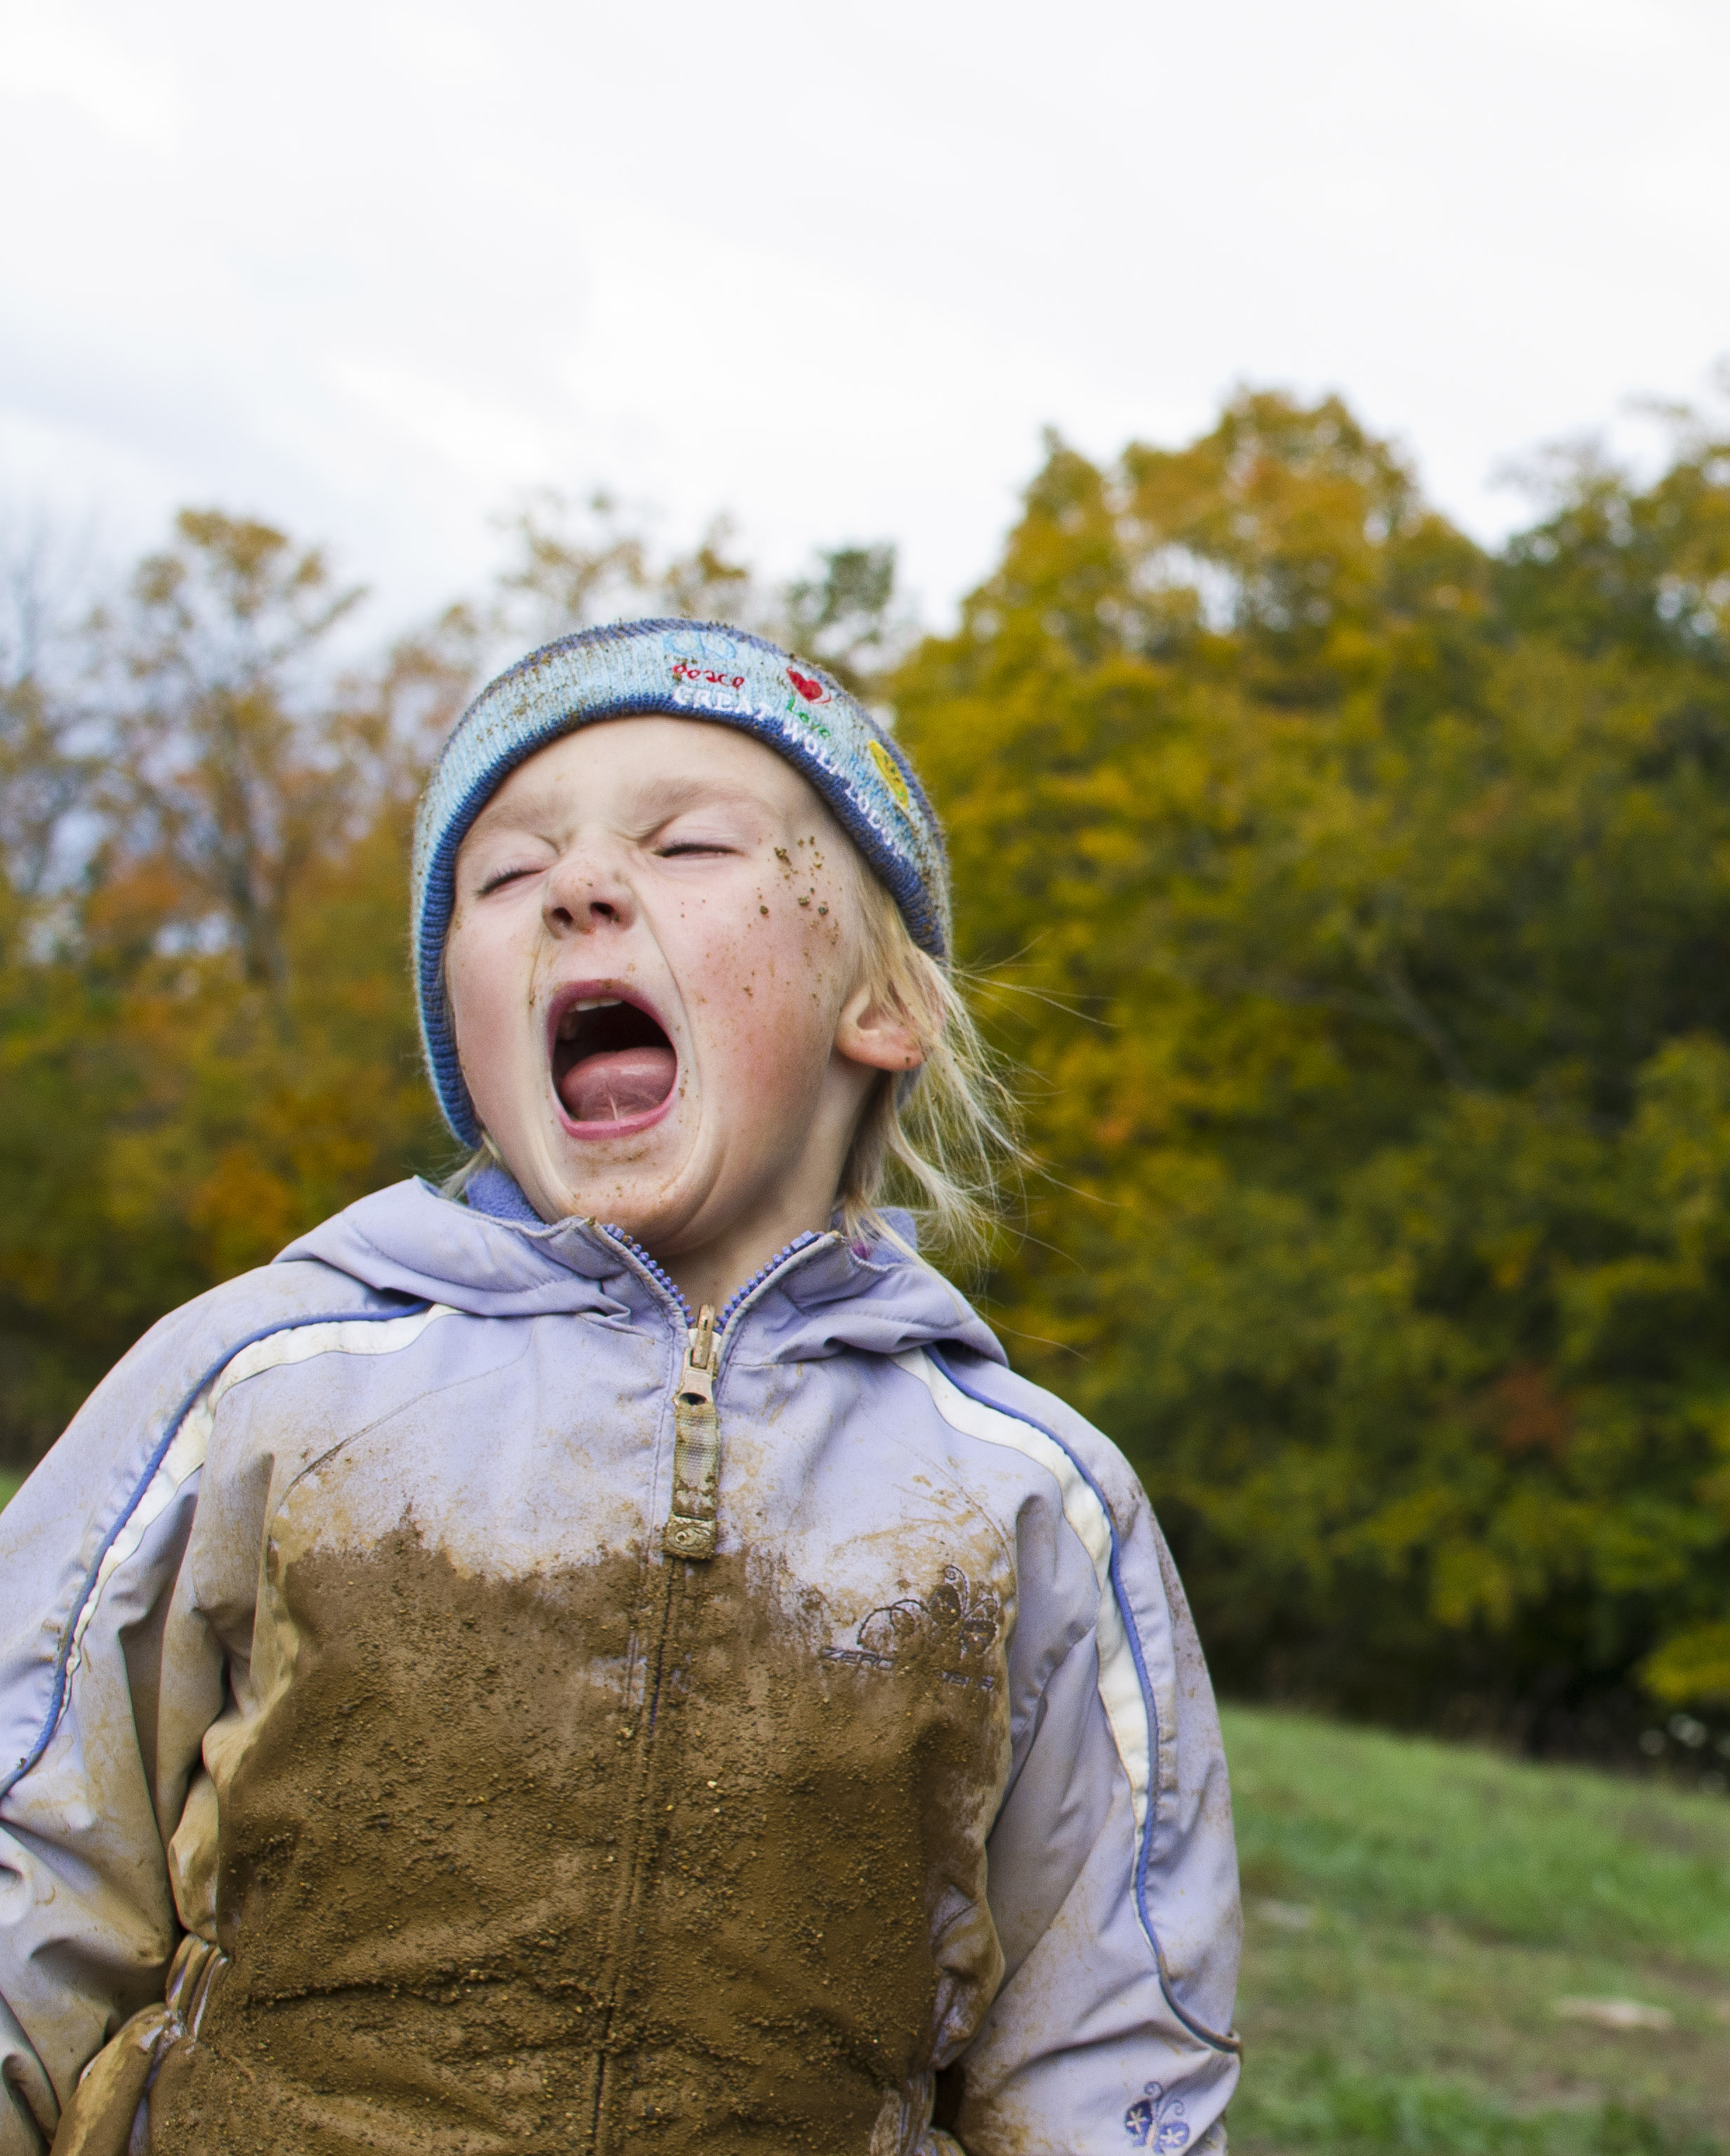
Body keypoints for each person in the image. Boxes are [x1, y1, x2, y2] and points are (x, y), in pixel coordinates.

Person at [0, 620, 1240, 2155]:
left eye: (690, 845)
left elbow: (1112, 2048)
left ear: (884, 1007)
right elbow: (33, 1845)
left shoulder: (1023, 1499)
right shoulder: (268, 1378)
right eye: (505, 877)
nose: (580, 888)